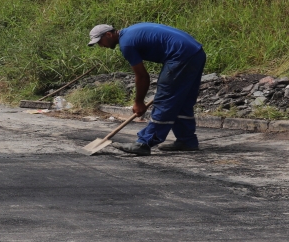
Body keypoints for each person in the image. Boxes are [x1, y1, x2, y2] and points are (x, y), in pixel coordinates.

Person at [88, 23, 207, 155]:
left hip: (180, 56)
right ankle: (187, 141)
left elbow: (142, 77)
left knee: (164, 100)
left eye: (100, 41)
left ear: (109, 34)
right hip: (196, 53)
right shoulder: (130, 32)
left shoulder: (126, 44)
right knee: (182, 100)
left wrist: (138, 102)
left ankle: (144, 143)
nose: (101, 46)